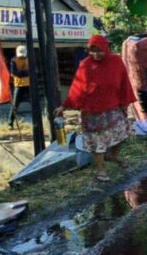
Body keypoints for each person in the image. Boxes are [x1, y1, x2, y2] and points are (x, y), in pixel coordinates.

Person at [54, 35, 136, 183]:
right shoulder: (85, 65)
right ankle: (100, 170)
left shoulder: (116, 62)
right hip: (91, 112)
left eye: (99, 51)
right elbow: (76, 89)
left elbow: (124, 83)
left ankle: (113, 155)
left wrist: (125, 103)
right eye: (92, 51)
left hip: (112, 108)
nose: (96, 54)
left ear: (106, 48)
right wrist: (64, 106)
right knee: (98, 143)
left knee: (121, 134)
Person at [8, 45, 30, 129]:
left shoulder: (28, 59)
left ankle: (38, 120)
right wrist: (24, 72)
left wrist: (21, 72)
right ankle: (10, 123)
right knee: (15, 105)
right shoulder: (14, 60)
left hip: (28, 84)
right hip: (18, 85)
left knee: (34, 103)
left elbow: (30, 71)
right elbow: (14, 73)